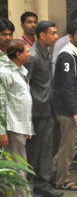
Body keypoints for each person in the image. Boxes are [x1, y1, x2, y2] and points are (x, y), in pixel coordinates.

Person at [52, 21, 77, 191]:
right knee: (69, 145)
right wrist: (76, 112)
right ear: (70, 37)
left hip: (76, 104)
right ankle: (62, 180)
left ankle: (52, 172)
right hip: (68, 109)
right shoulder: (67, 55)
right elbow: (68, 87)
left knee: (73, 142)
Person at [25, 21, 62, 197]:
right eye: (53, 33)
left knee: (46, 149)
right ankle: (35, 185)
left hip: (47, 109)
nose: (56, 37)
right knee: (36, 151)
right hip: (36, 112)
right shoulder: (32, 56)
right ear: (42, 35)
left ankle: (42, 183)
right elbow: (24, 84)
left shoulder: (45, 53)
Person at [0, 39, 34, 197]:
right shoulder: (4, 73)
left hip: (19, 126)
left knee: (18, 165)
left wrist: (28, 126)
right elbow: (1, 103)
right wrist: (2, 131)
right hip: (11, 127)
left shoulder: (18, 70)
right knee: (17, 167)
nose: (30, 54)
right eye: (27, 51)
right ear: (18, 55)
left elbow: (21, 101)